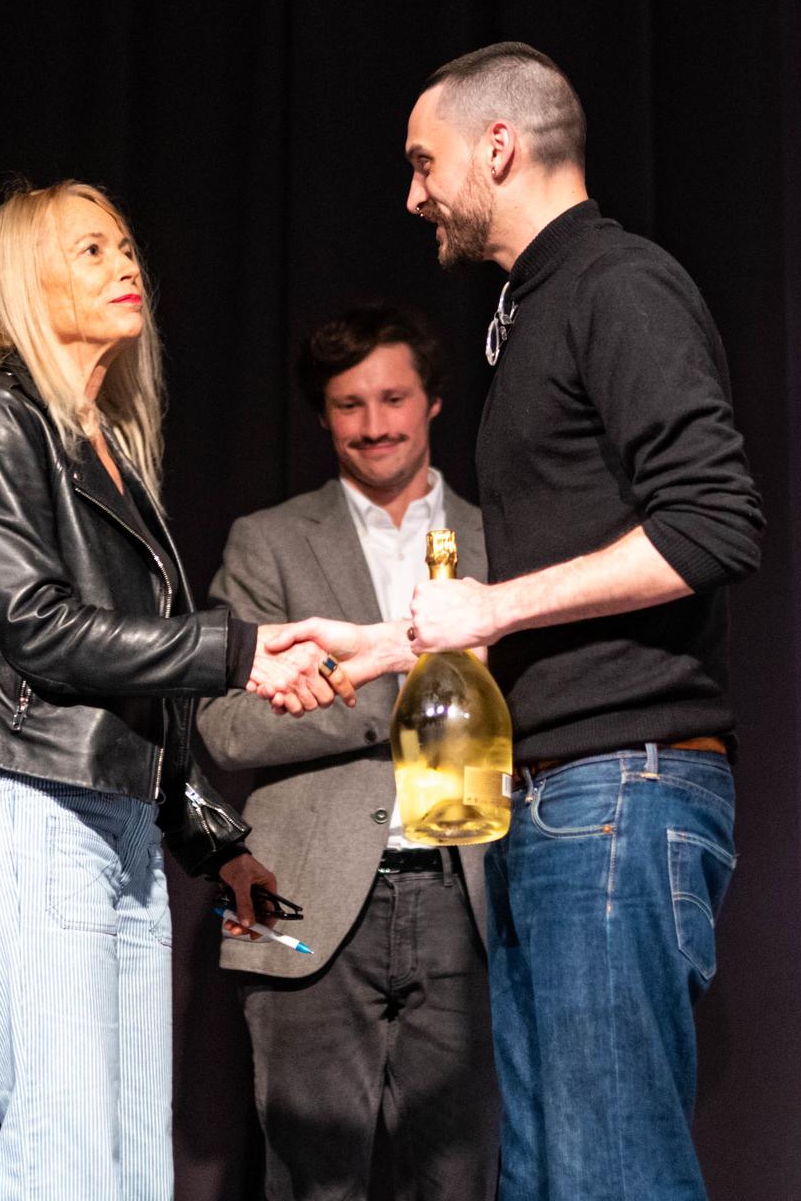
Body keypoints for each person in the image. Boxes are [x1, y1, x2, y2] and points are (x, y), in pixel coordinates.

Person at [271, 43, 765, 1201]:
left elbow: (712, 523)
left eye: (421, 162)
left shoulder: (617, 285)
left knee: (611, 1175)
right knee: (547, 1176)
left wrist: (491, 603)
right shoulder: (530, 308)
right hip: (550, 801)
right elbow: (542, 582)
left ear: (496, 147)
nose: (412, 194)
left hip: (620, 792)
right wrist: (384, 645)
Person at [0, 179, 356, 1201]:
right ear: (25, 282)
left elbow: (135, 698)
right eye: (88, 251)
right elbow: (41, 632)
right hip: (32, 820)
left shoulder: (109, 451)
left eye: (125, 246)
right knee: (66, 1167)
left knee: (130, 1178)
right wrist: (238, 650)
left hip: (120, 840)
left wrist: (215, 842)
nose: (125, 266)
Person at [198, 305, 499, 1201]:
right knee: (309, 1181)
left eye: (394, 397)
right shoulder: (269, 542)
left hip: (474, 893)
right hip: (304, 896)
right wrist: (401, 686)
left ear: (436, 402)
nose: (374, 424)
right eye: (348, 404)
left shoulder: (504, 540)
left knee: (462, 1181)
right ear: (323, 415)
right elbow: (224, 724)